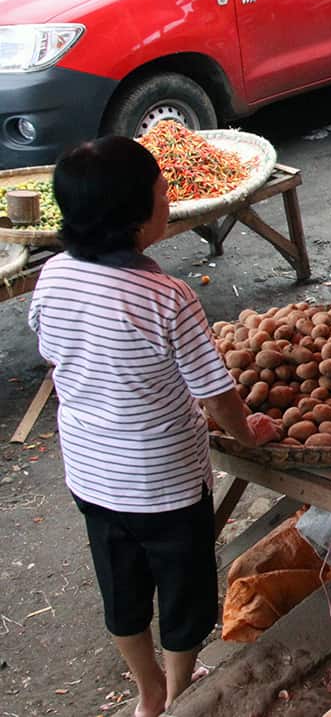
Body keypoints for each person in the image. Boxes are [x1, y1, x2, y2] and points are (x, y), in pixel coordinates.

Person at [28, 137, 279, 717]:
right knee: (184, 594)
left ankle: (147, 699)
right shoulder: (167, 297)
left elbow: (54, 353)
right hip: (163, 481)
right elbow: (216, 395)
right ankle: (177, 690)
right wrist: (250, 434)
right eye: (163, 190)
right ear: (136, 215)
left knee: (123, 592)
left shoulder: (53, 278)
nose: (170, 198)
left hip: (91, 475)